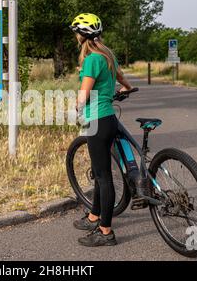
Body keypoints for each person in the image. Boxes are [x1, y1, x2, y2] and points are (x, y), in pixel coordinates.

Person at [69, 13, 134, 247]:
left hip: (96, 120)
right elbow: (120, 77)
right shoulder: (107, 55)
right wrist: (127, 87)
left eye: (76, 32)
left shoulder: (91, 60)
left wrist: (75, 106)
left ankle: (105, 232)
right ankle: (94, 216)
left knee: (104, 178)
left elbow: (84, 94)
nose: (76, 36)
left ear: (81, 35)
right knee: (99, 173)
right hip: (108, 119)